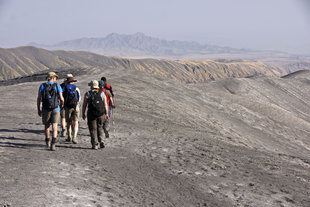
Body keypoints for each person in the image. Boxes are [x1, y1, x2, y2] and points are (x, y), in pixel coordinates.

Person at [37, 72, 64, 151]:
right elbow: (61, 97)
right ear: (52, 78)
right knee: (55, 126)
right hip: (56, 108)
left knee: (47, 126)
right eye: (55, 77)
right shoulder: (57, 86)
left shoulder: (42, 86)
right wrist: (62, 104)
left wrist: (38, 109)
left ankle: (47, 141)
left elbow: (39, 98)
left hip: (45, 108)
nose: (56, 79)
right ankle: (53, 144)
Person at [82, 80, 109, 150]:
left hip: (91, 113)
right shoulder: (102, 93)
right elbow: (105, 104)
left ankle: (95, 144)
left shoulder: (87, 93)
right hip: (101, 113)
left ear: (91, 86)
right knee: (100, 127)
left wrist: (83, 113)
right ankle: (101, 141)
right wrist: (106, 113)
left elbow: (84, 105)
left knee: (93, 129)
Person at [63, 75, 81, 144]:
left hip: (67, 107)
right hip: (75, 106)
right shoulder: (76, 88)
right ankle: (75, 137)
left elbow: (62, 97)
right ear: (73, 81)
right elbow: (79, 99)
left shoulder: (65, 88)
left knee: (69, 123)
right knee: (76, 122)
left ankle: (69, 137)